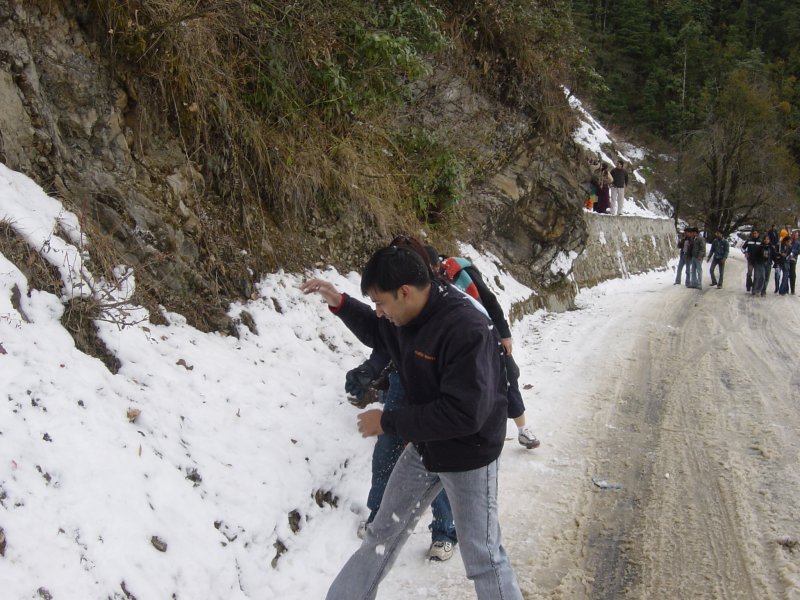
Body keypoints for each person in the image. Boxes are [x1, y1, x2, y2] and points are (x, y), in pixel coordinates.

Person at [302, 247, 524, 600]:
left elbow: (465, 413)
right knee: (380, 535)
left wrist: (388, 421)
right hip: (425, 447)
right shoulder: (404, 315)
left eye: (380, 302)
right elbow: (379, 330)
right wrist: (340, 302)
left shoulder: (466, 329)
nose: (379, 312)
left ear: (405, 291)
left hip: (469, 454)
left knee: (483, 556)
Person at [430, 248, 540, 450]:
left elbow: (489, 301)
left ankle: (523, 429)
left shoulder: (461, 274)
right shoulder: (430, 286)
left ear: (437, 264)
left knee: (507, 376)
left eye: (432, 268)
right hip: (461, 345)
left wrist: (504, 334)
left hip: (487, 332)